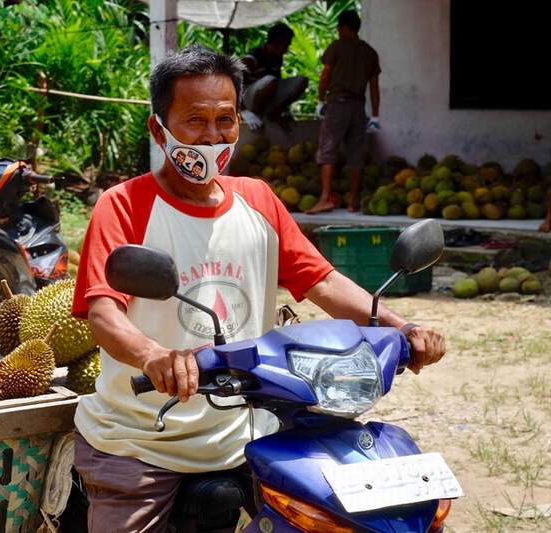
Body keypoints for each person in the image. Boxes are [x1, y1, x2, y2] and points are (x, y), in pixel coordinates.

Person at [71, 45, 445, 533]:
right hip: (143, 437)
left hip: (248, 429)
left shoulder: (258, 200)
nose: (212, 136)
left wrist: (401, 326)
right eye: (194, 120)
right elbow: (103, 311)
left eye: (224, 119)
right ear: (158, 129)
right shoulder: (124, 205)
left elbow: (323, 281)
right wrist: (154, 356)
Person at [308, 9, 381, 214]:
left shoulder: (337, 47)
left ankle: (325, 198)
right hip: (359, 107)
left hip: (338, 104)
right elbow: (374, 86)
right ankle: (352, 201)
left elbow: (325, 76)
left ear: (343, 27)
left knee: (328, 150)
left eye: (339, 28)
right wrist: (375, 115)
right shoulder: (369, 52)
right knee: (356, 153)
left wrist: (320, 100)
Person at [239, 23, 308, 130]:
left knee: (302, 81)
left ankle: (275, 114)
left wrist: (283, 109)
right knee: (271, 80)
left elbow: (277, 87)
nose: (286, 49)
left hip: (266, 96)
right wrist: (244, 112)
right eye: (286, 45)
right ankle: (257, 115)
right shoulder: (253, 58)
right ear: (276, 43)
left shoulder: (277, 58)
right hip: (247, 98)